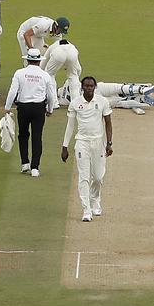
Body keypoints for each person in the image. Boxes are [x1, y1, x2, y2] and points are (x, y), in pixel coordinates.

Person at [61, 76, 113, 222]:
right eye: (86, 86)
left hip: (98, 142)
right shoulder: (75, 103)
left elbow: (108, 123)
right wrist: (65, 146)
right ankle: (86, 209)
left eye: (91, 86)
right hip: (82, 142)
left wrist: (109, 143)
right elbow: (70, 125)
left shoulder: (102, 101)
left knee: (98, 177)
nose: (89, 88)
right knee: (84, 177)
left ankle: (95, 199)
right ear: (82, 88)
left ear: (95, 87)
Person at [4, 48, 57, 178]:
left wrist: (7, 107)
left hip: (23, 107)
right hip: (39, 108)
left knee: (23, 135)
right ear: (39, 61)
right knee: (37, 136)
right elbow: (51, 95)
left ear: (27, 60)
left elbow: (12, 91)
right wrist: (50, 109)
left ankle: (24, 163)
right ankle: (35, 167)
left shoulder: (20, 73)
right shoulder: (45, 75)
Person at [58, 79, 154, 115]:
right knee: (118, 88)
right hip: (96, 90)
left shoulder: (62, 102)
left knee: (118, 100)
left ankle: (140, 99)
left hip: (92, 99)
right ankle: (141, 91)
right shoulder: (68, 82)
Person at [40, 38, 82, 109]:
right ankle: (76, 103)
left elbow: (42, 64)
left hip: (58, 54)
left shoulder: (51, 48)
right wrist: (75, 76)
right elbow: (78, 69)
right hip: (72, 54)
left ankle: (53, 103)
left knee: (49, 75)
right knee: (73, 76)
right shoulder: (73, 47)